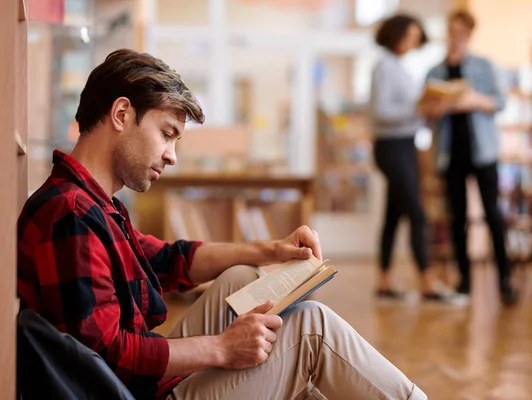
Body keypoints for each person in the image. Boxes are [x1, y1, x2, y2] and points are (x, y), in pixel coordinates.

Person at [17, 49, 427, 400]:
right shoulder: (71, 215)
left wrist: (271, 251)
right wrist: (222, 349)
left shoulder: (89, 202)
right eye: (167, 133)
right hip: (130, 390)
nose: (172, 155)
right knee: (309, 330)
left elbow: (169, 260)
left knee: (241, 278)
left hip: (140, 382)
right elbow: (108, 354)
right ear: (122, 113)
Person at [421, 10, 518, 306]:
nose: (456, 38)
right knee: (457, 219)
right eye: (452, 32)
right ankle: (465, 281)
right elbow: (426, 115)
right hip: (451, 156)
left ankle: (505, 279)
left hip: (483, 152)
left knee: (493, 214)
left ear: (469, 35)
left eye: (462, 33)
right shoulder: (435, 72)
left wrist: (473, 100)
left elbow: (500, 101)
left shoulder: (485, 67)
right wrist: (440, 108)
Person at [370, 14, 460, 302]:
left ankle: (384, 281)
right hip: (391, 146)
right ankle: (427, 282)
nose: (412, 42)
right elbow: (381, 113)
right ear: (395, 35)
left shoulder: (401, 67)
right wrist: (416, 110)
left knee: (393, 215)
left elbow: (409, 115)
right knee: (417, 214)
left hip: (406, 145)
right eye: (408, 36)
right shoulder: (383, 67)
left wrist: (428, 113)